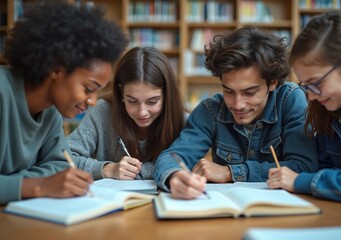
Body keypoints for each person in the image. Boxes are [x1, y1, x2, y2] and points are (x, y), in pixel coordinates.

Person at [154, 27, 318, 199]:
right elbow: (172, 156)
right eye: (229, 92)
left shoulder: (290, 99)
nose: (238, 105)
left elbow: (304, 166)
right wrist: (175, 176)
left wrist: (231, 172)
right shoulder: (211, 109)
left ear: (272, 83)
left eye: (249, 92)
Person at [0, 1, 127, 204]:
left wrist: (14, 182)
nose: (93, 101)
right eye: (88, 88)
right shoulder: (3, 92)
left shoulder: (50, 113)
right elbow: (51, 180)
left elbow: (62, 168)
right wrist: (40, 185)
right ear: (57, 68)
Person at [267, 11, 341, 205]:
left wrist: (301, 181)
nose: (311, 96)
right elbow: (325, 167)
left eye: (316, 83)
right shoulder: (329, 112)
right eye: (305, 86)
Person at [67, 46, 186, 180]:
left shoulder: (182, 120)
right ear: (121, 92)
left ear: (166, 95)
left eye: (152, 102)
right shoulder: (101, 111)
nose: (142, 112)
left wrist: (142, 171)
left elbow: (188, 164)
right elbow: (64, 157)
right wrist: (108, 169)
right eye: (132, 101)